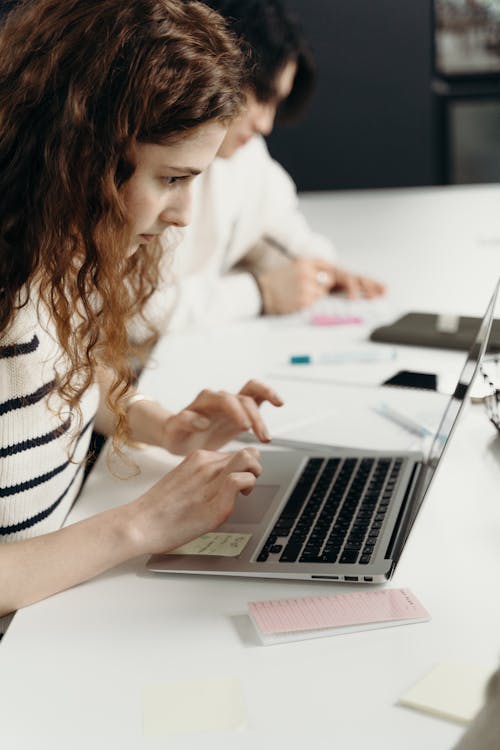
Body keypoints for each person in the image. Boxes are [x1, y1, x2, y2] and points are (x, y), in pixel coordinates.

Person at [0, 0, 284, 628]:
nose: (183, 213)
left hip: (56, 612)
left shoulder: (66, 250)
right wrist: (141, 523)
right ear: (82, 155)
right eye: (171, 179)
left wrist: (158, 424)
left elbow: (62, 379)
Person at [141, 0, 386, 333]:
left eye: (277, 104)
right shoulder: (149, 156)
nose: (266, 124)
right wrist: (260, 293)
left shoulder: (245, 156)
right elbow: (130, 312)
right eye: (262, 96)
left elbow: (278, 224)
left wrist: (320, 269)